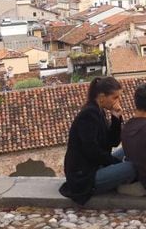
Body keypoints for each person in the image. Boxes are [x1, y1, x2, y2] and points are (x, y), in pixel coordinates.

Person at [59, 77, 137, 205]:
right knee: (132, 167)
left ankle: (120, 178)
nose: (118, 101)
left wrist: (116, 118)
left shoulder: (99, 111)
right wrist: (116, 163)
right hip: (84, 177)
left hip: (95, 166)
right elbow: (92, 151)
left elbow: (113, 142)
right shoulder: (88, 115)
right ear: (101, 97)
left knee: (130, 148)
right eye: (115, 97)